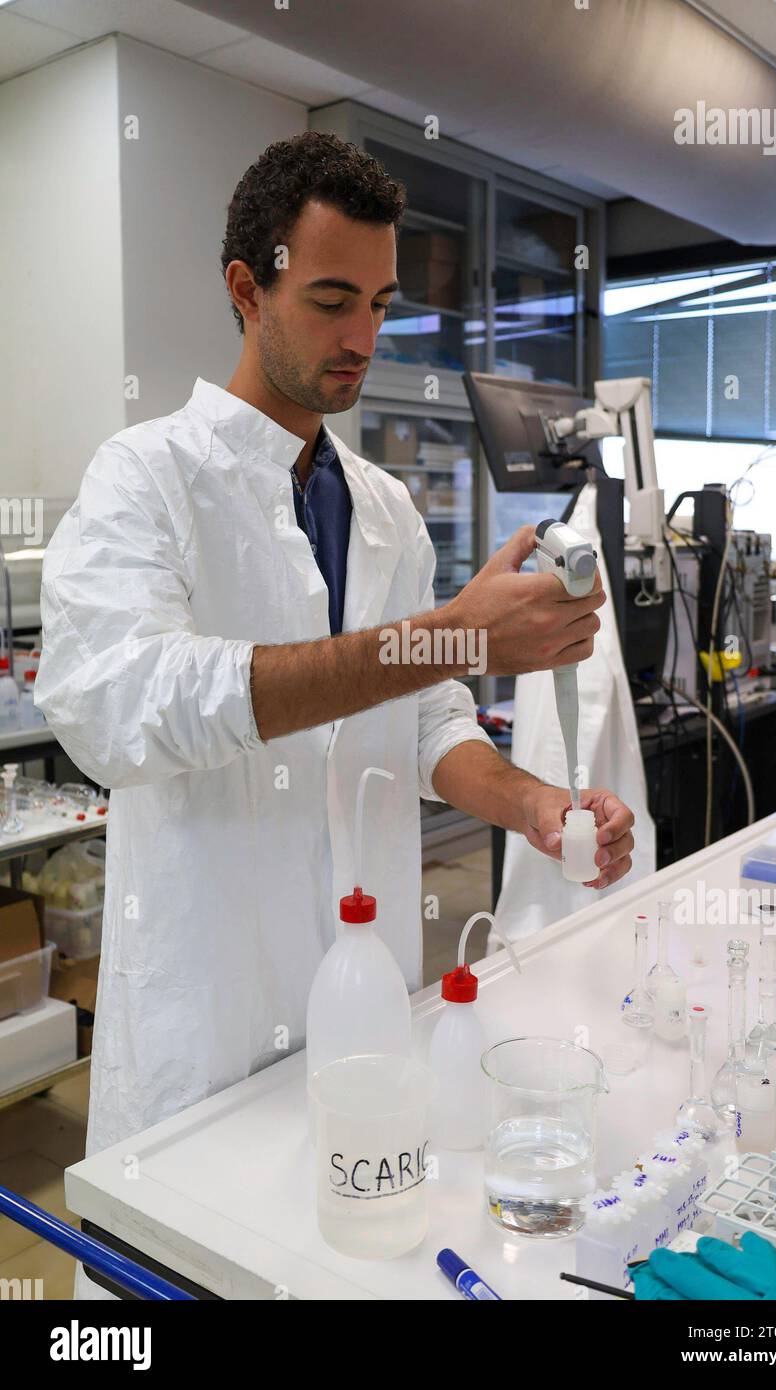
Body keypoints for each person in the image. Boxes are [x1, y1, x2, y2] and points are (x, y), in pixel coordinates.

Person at [35, 132, 635, 1297]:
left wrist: (537, 804)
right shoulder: (143, 478)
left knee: (348, 1272)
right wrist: (450, 634)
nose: (361, 338)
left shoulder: (385, 510)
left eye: (377, 303)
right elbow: (122, 711)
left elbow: (423, 723)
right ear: (244, 288)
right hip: (204, 1035)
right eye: (327, 300)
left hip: (364, 1024)